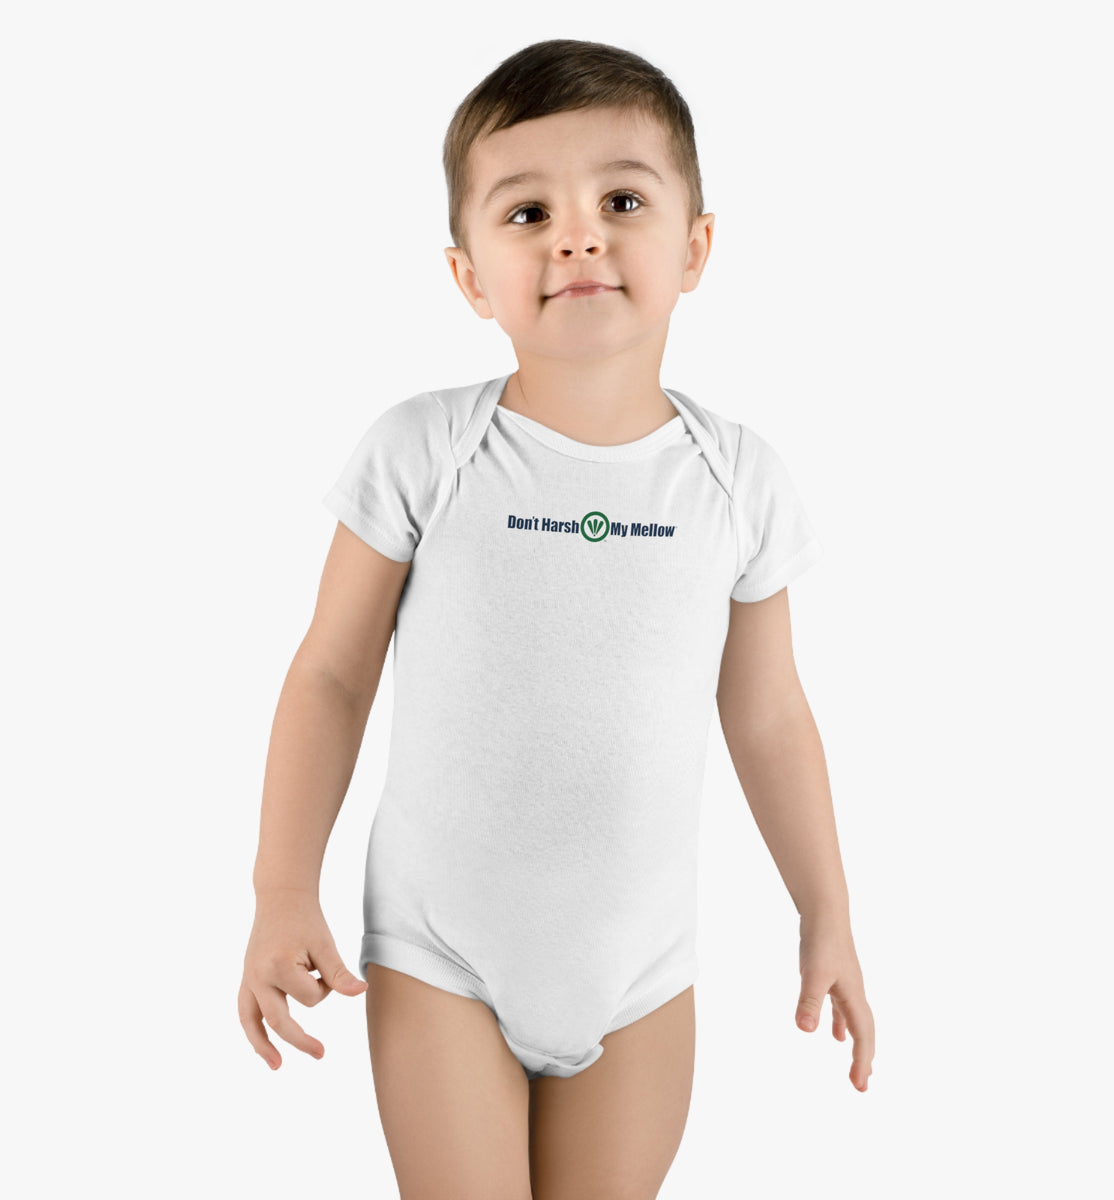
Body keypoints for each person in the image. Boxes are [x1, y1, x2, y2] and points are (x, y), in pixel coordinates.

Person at [239, 37, 874, 1200]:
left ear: (696, 246)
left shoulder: (740, 480)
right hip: (440, 956)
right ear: (470, 277)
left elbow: (770, 715)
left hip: (642, 978)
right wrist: (282, 889)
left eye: (620, 201)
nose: (577, 236)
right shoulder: (425, 451)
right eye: (528, 213)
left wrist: (825, 911)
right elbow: (331, 673)